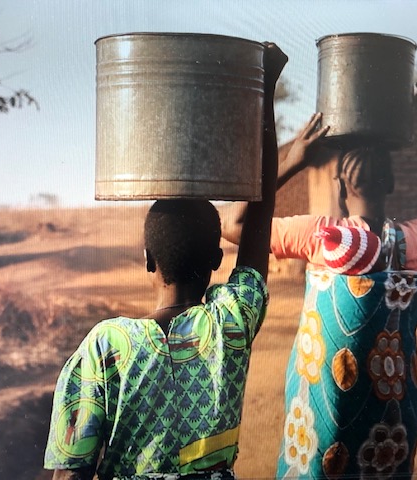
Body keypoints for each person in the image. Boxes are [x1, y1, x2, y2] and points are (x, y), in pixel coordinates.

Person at [43, 43, 288, 480]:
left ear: (147, 259)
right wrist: (264, 90)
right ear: (217, 258)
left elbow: (69, 473)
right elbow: (262, 212)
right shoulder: (232, 323)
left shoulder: (105, 348)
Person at [220, 77, 417, 479]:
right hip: (392, 426)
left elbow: (232, 223)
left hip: (323, 428)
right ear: (390, 183)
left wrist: (291, 162)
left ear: (339, 187)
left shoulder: (320, 238)